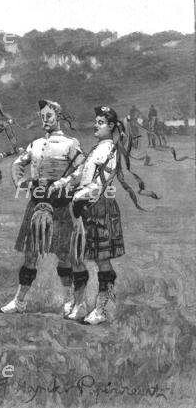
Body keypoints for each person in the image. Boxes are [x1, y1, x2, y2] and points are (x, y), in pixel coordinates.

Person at [51, 106, 155, 325]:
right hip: (82, 205)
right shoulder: (97, 148)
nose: (95, 125)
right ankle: (79, 306)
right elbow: (82, 173)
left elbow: (100, 183)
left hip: (98, 207)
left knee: (102, 260)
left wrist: (78, 196)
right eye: (95, 121)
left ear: (111, 127)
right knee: (77, 256)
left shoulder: (112, 151)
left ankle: (100, 309)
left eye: (100, 122)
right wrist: (64, 181)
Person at [0, 100, 87, 319]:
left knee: (65, 256)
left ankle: (69, 301)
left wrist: (65, 182)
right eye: (42, 117)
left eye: (48, 116)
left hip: (61, 206)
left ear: (58, 115)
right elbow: (18, 164)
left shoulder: (70, 144)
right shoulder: (36, 144)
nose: (45, 120)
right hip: (37, 205)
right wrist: (20, 181)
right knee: (30, 255)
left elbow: (83, 168)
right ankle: (19, 301)